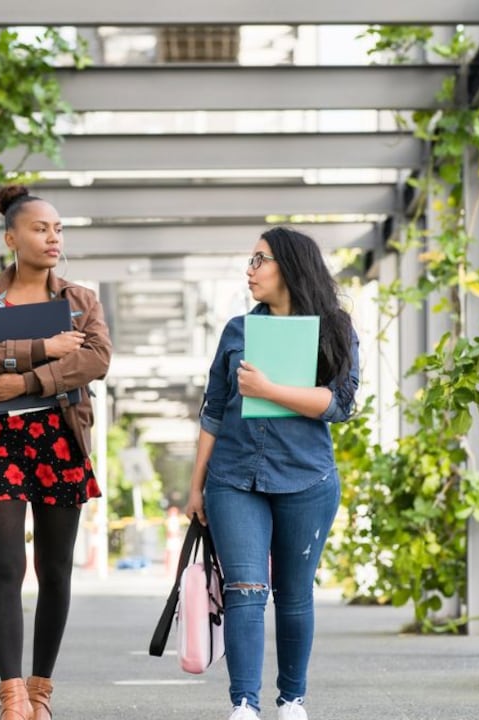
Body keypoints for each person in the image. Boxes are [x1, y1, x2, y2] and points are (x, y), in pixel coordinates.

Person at [185, 227, 360, 720]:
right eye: (250, 260)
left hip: (307, 479)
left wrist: (269, 388)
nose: (250, 269)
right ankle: (243, 705)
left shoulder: (335, 328)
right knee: (244, 589)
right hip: (234, 479)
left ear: (289, 265)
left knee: (294, 593)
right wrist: (196, 486)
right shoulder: (237, 330)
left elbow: (341, 405)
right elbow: (214, 411)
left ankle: (292, 701)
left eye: (259, 260)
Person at [0, 184, 112, 720]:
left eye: (58, 229)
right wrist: (46, 348)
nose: (52, 237)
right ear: (11, 237)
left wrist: (23, 382)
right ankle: (12, 696)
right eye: (41, 228)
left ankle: (40, 691)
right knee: (5, 566)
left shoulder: (80, 301)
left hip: (59, 440)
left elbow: (95, 361)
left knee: (56, 568)